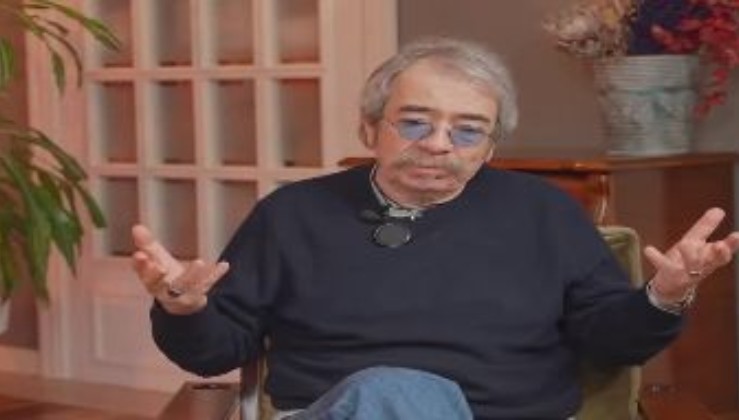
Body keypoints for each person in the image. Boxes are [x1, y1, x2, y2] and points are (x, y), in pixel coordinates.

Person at [131, 37, 739, 419]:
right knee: (393, 393)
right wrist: (184, 309)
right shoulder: (292, 215)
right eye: (416, 122)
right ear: (370, 128)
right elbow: (216, 353)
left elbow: (610, 343)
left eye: (468, 130)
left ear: (489, 147)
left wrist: (664, 296)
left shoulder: (545, 214)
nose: (440, 144)